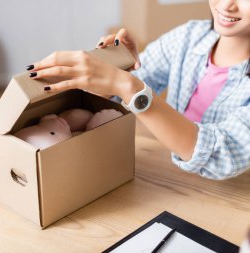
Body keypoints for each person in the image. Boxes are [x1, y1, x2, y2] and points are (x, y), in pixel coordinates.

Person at [25, 0, 250, 180]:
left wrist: (127, 85)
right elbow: (118, 100)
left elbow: (221, 157)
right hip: (168, 173)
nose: (227, 4)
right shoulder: (189, 36)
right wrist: (116, 67)